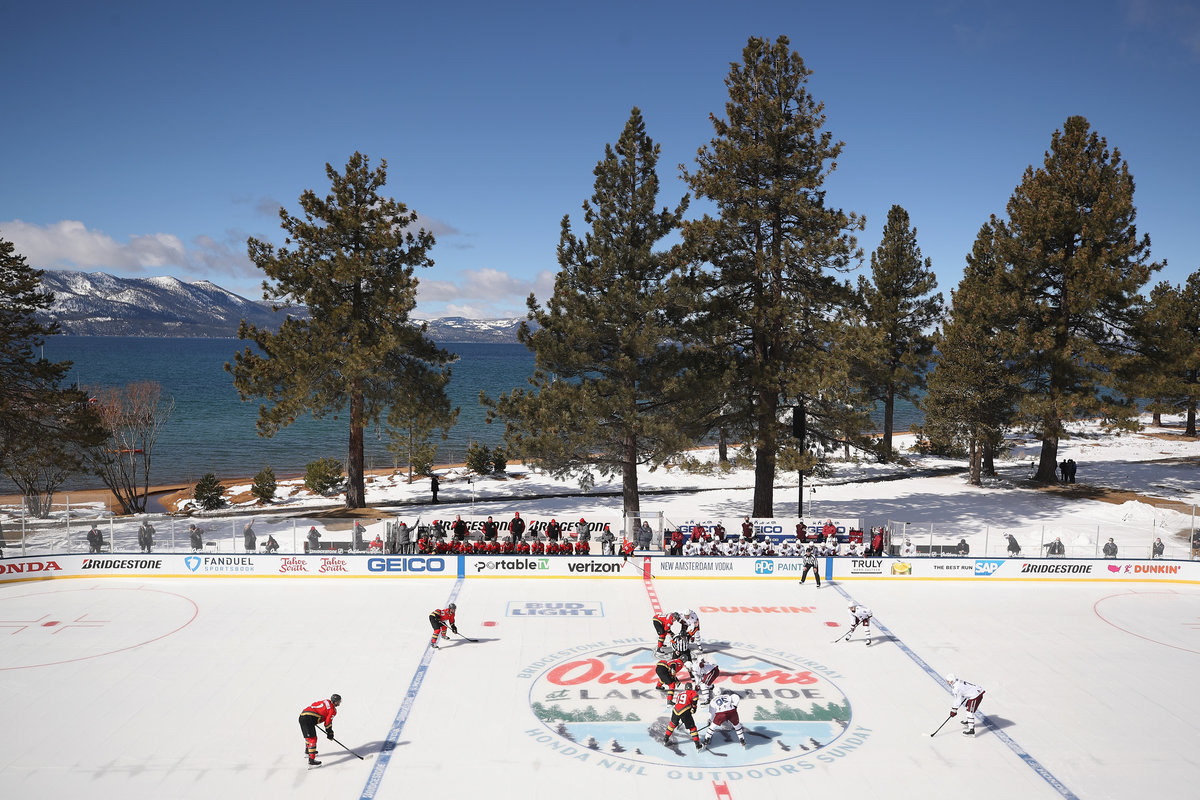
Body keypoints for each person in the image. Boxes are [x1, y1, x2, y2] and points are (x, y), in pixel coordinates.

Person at [298, 693, 341, 766]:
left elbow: (314, 705)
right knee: (313, 739)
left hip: (302, 716)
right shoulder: (332, 710)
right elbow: (328, 723)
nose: (339, 703)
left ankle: (308, 751)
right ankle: (311, 761)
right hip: (308, 719)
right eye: (338, 701)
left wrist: (314, 719)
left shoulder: (326, 701)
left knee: (308, 736)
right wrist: (330, 733)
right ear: (335, 701)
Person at [662, 681, 703, 751]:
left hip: (675, 710)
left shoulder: (680, 693)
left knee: (672, 724)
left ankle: (665, 739)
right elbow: (695, 697)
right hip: (685, 711)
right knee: (692, 728)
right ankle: (698, 745)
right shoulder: (692, 692)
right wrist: (694, 707)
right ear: (691, 688)